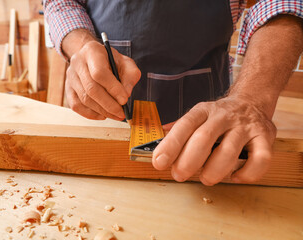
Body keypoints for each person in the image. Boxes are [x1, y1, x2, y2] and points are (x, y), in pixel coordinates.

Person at [44, 0, 303, 185]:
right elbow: (61, 2)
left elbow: (282, 2)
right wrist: (81, 44)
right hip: (99, 118)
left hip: (211, 126)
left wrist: (251, 100)